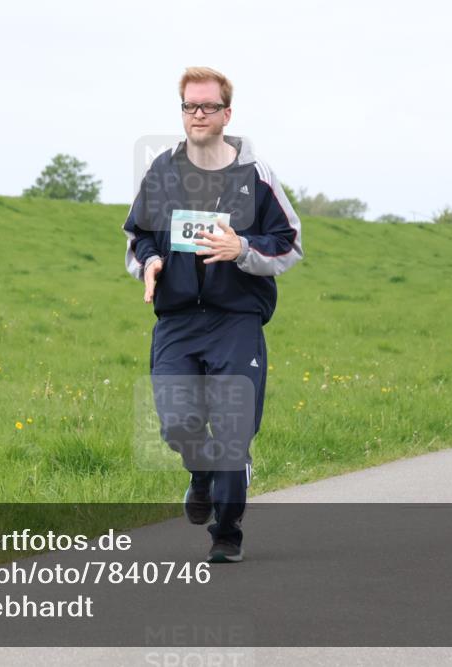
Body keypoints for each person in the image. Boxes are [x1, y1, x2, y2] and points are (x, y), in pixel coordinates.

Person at [123, 67, 303, 563]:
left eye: (207, 106)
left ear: (227, 113)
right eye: (189, 106)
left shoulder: (256, 175)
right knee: (178, 425)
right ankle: (200, 475)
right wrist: (152, 262)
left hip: (235, 320)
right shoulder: (161, 172)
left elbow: (289, 243)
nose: (197, 115)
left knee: (231, 429)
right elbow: (138, 236)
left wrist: (242, 247)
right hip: (178, 321)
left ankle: (227, 533)